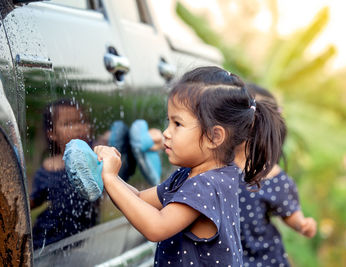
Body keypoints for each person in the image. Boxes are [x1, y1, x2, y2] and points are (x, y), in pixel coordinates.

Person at [92, 66, 284, 266]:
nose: (166, 132)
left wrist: (111, 179)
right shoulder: (192, 175)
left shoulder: (207, 185)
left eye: (177, 124)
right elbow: (140, 199)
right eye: (169, 121)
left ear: (214, 136)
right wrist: (106, 175)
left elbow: (156, 227)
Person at [235, 83, 317, 267]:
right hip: (226, 255)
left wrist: (302, 224)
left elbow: (289, 211)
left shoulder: (274, 177)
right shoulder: (219, 162)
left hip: (262, 258)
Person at [30, 99, 99, 250]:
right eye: (69, 124)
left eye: (82, 121)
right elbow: (36, 199)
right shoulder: (49, 167)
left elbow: (109, 140)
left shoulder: (95, 153)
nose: (79, 128)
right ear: (52, 134)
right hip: (48, 238)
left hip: (79, 239)